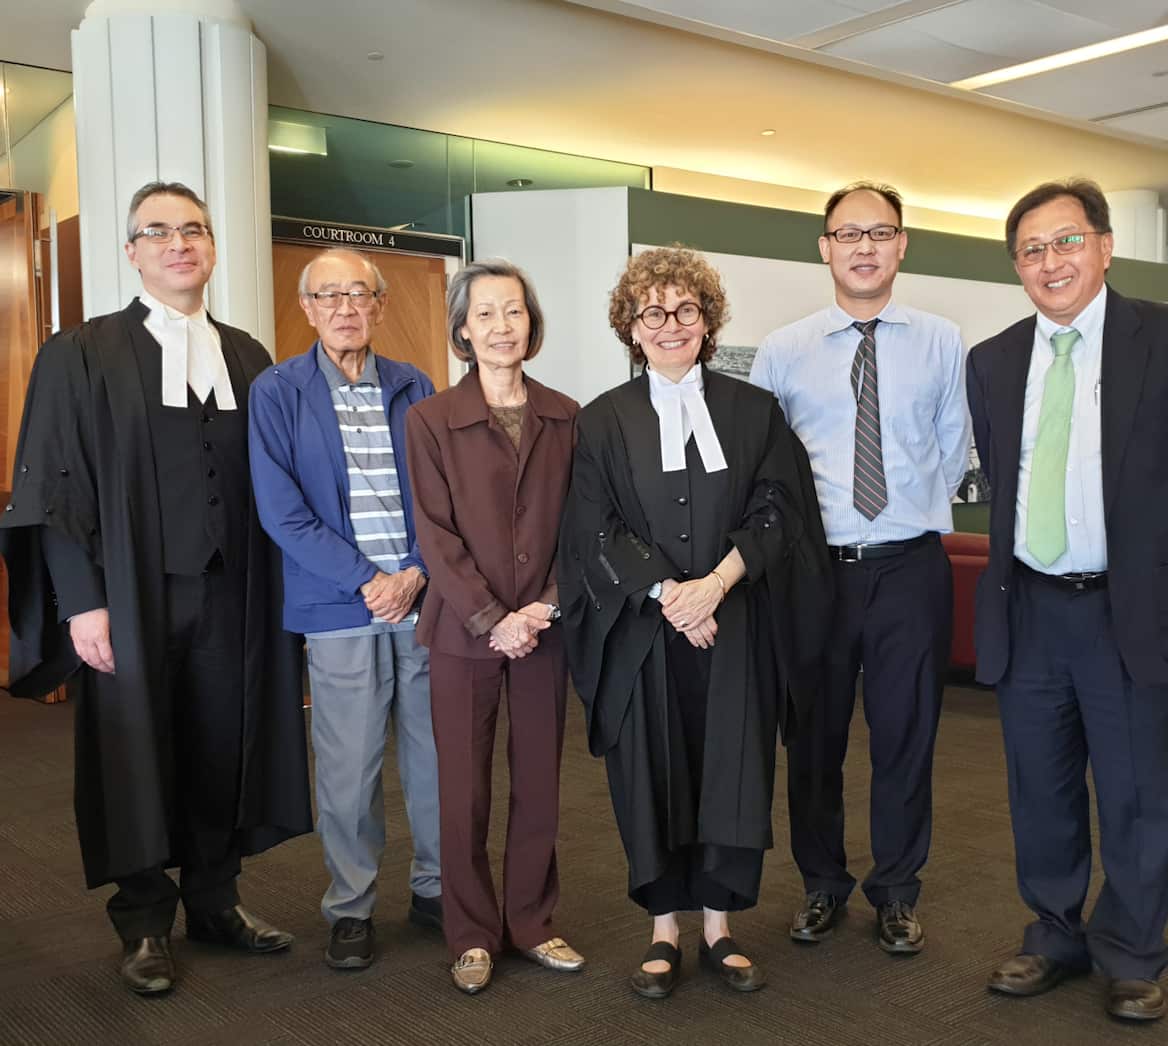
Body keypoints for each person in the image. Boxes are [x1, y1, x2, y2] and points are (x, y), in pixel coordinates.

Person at [0, 181, 311, 996]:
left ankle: (215, 901)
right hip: (131, 595)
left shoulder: (247, 355)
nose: (180, 244)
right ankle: (143, 923)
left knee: (223, 743)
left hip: (237, 593)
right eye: (159, 232)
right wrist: (82, 602)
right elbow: (54, 488)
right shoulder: (82, 352)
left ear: (211, 247)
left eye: (195, 230)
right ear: (132, 251)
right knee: (134, 752)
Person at [967, 178, 1168, 1022]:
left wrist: (1154, 554)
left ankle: (1130, 949)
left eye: (1066, 241)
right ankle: (1054, 934)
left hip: (1129, 609)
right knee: (1040, 789)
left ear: (1104, 245)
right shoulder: (994, 360)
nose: (1051, 261)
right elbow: (1004, 479)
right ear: (1017, 265)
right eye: (1032, 249)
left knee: (1136, 791)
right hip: (1031, 611)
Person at [560, 246, 830, 999]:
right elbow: (595, 528)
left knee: (731, 772)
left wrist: (714, 584)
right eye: (654, 312)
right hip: (646, 635)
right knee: (653, 772)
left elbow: (779, 511)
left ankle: (719, 925)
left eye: (686, 310)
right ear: (632, 326)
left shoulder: (754, 412)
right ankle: (663, 931)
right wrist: (669, 595)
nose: (671, 324)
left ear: (708, 322)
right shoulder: (603, 419)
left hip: (735, 626)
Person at [750, 182, 970, 954]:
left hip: (910, 566)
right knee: (812, 737)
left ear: (902, 244)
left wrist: (906, 511)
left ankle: (897, 891)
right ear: (825, 248)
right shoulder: (785, 350)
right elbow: (767, 470)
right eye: (849, 234)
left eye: (880, 232)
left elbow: (950, 449)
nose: (865, 247)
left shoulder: (943, 341)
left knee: (906, 735)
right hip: (814, 573)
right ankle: (822, 886)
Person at [248, 247, 441, 971]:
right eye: (329, 297)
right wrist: (370, 579)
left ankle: (435, 890)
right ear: (307, 309)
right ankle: (352, 907)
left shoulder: (414, 385)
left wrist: (417, 572)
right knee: (349, 772)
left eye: (358, 295)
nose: (345, 309)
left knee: (434, 761)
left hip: (423, 607)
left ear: (380, 305)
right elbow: (281, 511)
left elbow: (441, 496)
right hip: (339, 608)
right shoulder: (278, 391)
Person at [404, 259, 582, 995]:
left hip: (545, 628)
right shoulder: (430, 420)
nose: (501, 326)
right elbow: (434, 535)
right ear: (462, 330)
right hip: (462, 631)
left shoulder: (569, 415)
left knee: (538, 780)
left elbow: (582, 527)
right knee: (464, 788)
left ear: (531, 325)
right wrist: (491, 618)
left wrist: (541, 606)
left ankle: (533, 922)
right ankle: (471, 933)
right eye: (485, 314)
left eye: (514, 312)